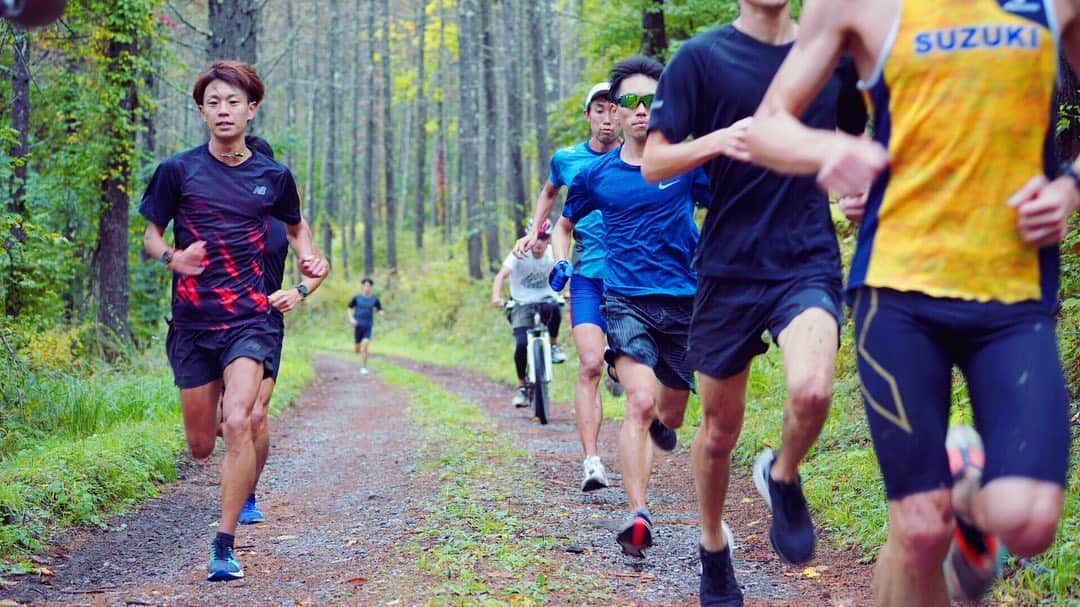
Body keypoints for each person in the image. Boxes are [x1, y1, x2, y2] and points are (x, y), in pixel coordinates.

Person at [744, 1, 1077, 606]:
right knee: (921, 529)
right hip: (898, 292)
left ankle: (968, 486)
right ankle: (946, 502)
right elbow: (766, 125)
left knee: (1029, 523)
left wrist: (1069, 185)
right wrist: (826, 152)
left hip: (1011, 295)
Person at [640, 1, 868, 603]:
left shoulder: (829, 54)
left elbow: (851, 141)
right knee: (718, 431)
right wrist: (718, 139)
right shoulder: (701, 58)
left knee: (813, 390)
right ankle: (713, 547)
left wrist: (858, 190)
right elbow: (654, 161)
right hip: (727, 267)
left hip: (806, 256)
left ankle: (783, 473)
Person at [140, 60, 327, 582]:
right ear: (202, 111)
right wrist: (171, 258)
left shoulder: (273, 176)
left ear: (251, 109)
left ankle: (223, 545)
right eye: (213, 102)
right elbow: (151, 235)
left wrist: (308, 260)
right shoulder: (178, 171)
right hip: (193, 323)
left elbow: (295, 229)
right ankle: (224, 470)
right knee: (202, 444)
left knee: (241, 418)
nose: (224, 111)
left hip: (250, 318)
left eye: (233, 102)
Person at [560, 55, 711, 558]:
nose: (641, 109)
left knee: (670, 412)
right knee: (639, 403)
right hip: (625, 301)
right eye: (630, 100)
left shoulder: (688, 163)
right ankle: (638, 512)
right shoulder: (596, 176)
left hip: (686, 304)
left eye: (652, 100)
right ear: (615, 110)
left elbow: (728, 206)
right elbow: (565, 223)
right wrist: (559, 260)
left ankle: (665, 427)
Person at [514, 81, 621, 492]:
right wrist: (536, 232)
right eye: (599, 110)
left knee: (631, 367)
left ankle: (621, 367)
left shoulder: (643, 159)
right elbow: (548, 195)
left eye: (614, 109)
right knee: (589, 364)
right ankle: (592, 462)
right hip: (588, 271)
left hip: (635, 278)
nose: (607, 118)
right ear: (588, 115)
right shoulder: (568, 159)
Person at [232, 135, 327, 526]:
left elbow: (318, 264)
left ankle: (248, 493)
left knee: (255, 414)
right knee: (226, 418)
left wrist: (299, 290)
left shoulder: (285, 219)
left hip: (266, 320)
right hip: (220, 319)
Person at [492, 221, 565, 408]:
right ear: (529, 237)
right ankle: (522, 387)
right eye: (537, 237)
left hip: (546, 300)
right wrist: (496, 297)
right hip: (521, 303)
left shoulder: (551, 254)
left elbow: (565, 273)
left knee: (555, 306)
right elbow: (501, 275)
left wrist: (570, 291)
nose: (539, 243)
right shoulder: (519, 253)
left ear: (549, 239)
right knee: (522, 343)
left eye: (544, 238)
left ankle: (554, 345)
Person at [347, 278, 384, 375]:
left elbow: (379, 308)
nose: (367, 288)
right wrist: (351, 319)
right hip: (358, 325)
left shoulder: (374, 299)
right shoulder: (357, 298)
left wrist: (381, 312)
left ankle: (364, 367)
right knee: (357, 348)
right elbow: (349, 308)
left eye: (369, 286)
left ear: (371, 287)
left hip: (368, 325)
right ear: (362, 286)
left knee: (365, 345)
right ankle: (357, 349)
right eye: (365, 285)